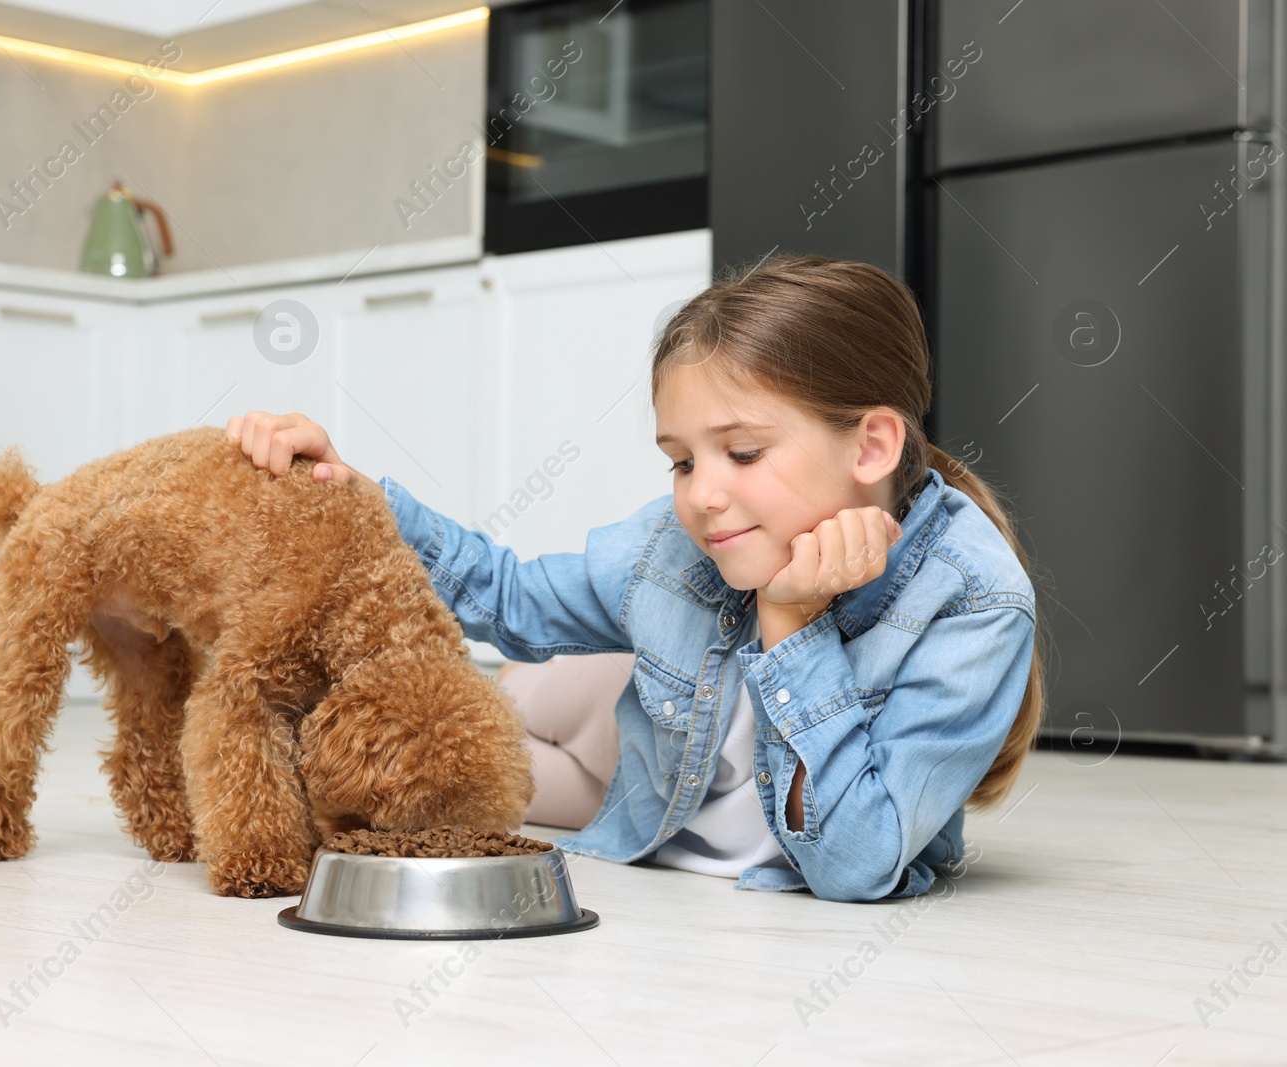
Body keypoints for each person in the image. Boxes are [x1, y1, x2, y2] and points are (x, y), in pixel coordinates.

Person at [225, 253, 1045, 902]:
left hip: (629, 781)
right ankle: (541, 688)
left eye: (743, 452)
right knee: (512, 704)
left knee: (435, 775)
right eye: (681, 462)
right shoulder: (680, 541)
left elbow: (854, 866)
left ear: (871, 448)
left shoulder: (975, 602)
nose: (703, 494)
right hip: (647, 782)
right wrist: (354, 494)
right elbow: (505, 594)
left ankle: (545, 693)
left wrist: (792, 623)